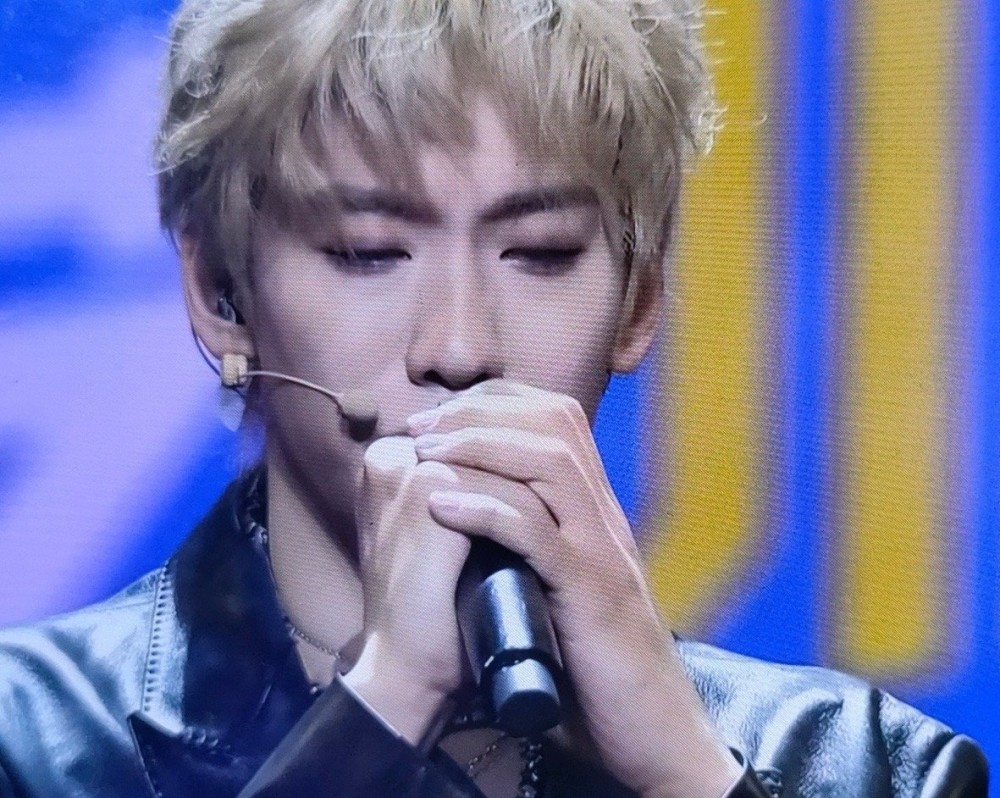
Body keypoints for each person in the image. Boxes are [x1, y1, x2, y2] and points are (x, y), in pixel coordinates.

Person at [0, 1, 988, 796]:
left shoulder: (868, 768)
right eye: (369, 252)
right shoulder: (30, 740)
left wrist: (684, 773)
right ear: (220, 294)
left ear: (640, 299)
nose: (460, 348)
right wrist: (384, 705)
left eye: (542, 253)